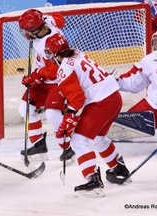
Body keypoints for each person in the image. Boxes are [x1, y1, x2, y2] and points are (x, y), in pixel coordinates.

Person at [44, 33, 131, 196]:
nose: (48, 56)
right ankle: (119, 169)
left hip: (102, 102)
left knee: (78, 140)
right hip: (114, 98)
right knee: (97, 138)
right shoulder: (78, 54)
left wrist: (69, 118)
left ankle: (93, 181)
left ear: (56, 52)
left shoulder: (64, 68)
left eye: (49, 52)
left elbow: (77, 98)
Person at [18, 9, 75, 161]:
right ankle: (38, 145)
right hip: (44, 77)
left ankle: (68, 148)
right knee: (25, 108)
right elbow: (60, 19)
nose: (26, 35)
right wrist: (45, 16)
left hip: (58, 80)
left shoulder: (49, 44)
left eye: (29, 31)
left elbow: (56, 70)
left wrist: (36, 76)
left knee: (52, 114)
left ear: (37, 29)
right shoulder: (48, 21)